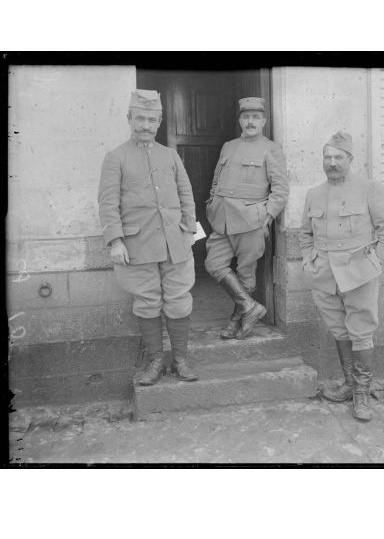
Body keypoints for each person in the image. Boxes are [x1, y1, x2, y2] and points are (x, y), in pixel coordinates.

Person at [98, 89, 198, 386]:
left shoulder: (170, 155)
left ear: (159, 122)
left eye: (151, 120)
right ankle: (156, 360)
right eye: (140, 118)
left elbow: (186, 194)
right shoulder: (116, 157)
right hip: (137, 245)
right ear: (129, 118)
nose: (145, 125)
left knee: (179, 300)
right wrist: (115, 241)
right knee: (147, 302)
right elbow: (107, 202)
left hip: (174, 242)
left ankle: (179, 359)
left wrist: (190, 230)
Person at [299, 131, 384, 421]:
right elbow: (305, 233)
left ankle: (362, 394)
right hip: (324, 275)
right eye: (327, 157)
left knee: (361, 330)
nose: (332, 163)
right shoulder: (313, 194)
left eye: (338, 157)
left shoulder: (370, 188)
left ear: (350, 159)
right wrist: (309, 260)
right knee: (339, 330)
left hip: (359, 274)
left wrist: (375, 263)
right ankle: (347, 384)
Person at [204, 97, 288, 339]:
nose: (250, 122)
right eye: (245, 117)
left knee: (245, 273)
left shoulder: (271, 148)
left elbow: (280, 190)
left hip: (252, 220)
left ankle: (236, 319)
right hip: (222, 219)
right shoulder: (228, 146)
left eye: (255, 117)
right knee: (214, 264)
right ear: (240, 119)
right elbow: (216, 180)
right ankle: (250, 307)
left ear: (263, 121)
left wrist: (267, 218)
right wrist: (212, 204)